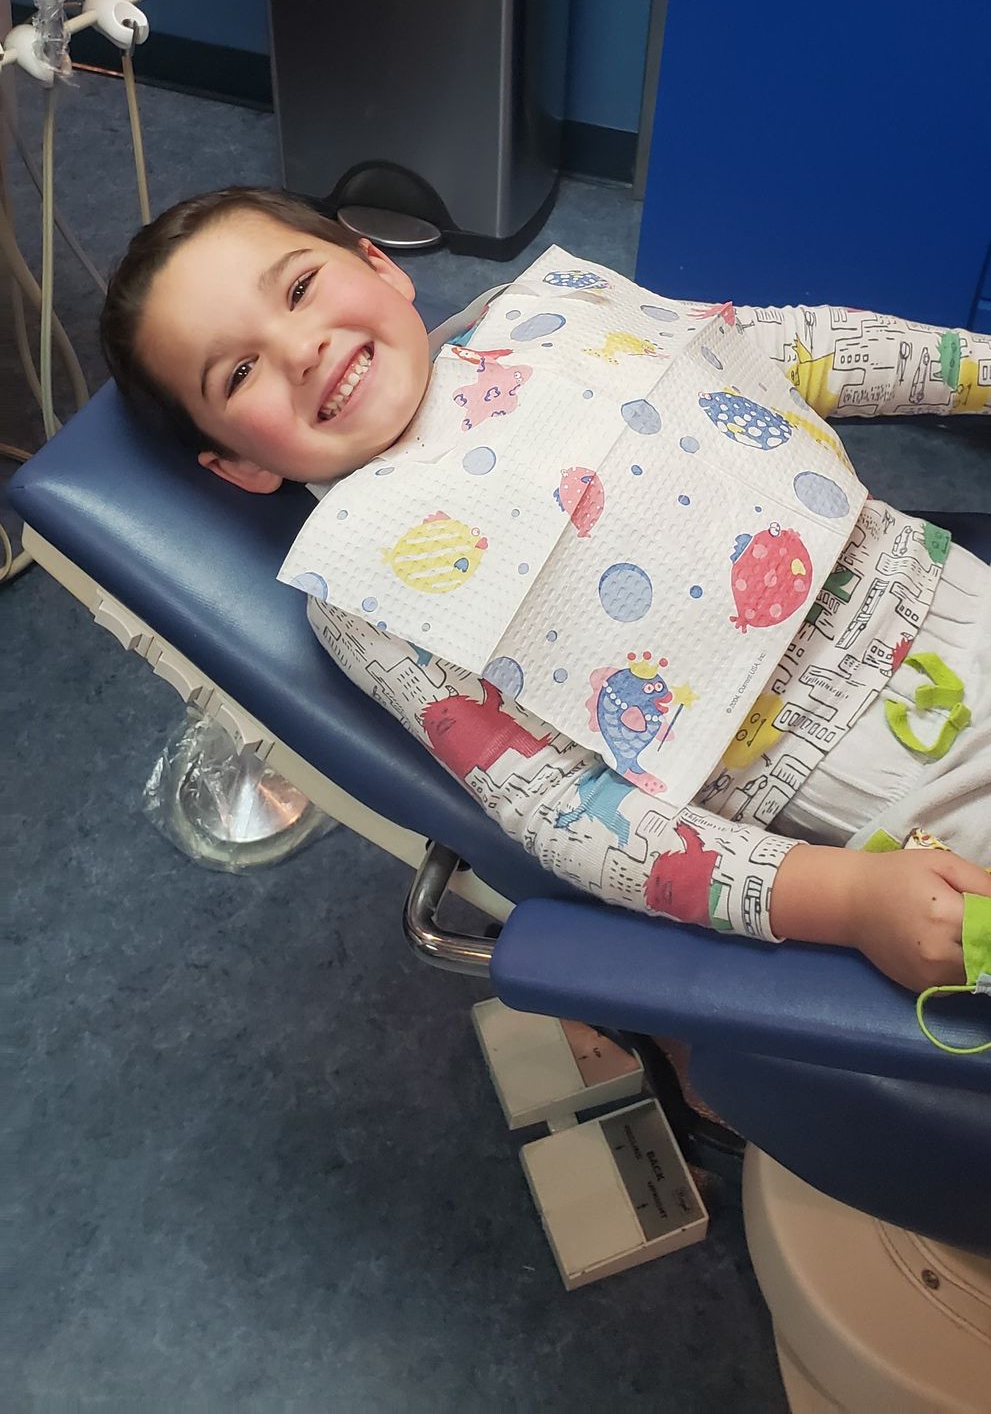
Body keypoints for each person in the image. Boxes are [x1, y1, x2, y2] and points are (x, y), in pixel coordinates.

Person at [101, 186, 991, 993]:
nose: (299, 350)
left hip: (953, 592)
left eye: (297, 289)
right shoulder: (362, 593)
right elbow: (564, 810)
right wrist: (846, 901)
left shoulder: (560, 312)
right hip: (893, 795)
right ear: (240, 466)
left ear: (378, 263)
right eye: (239, 373)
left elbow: (791, 350)